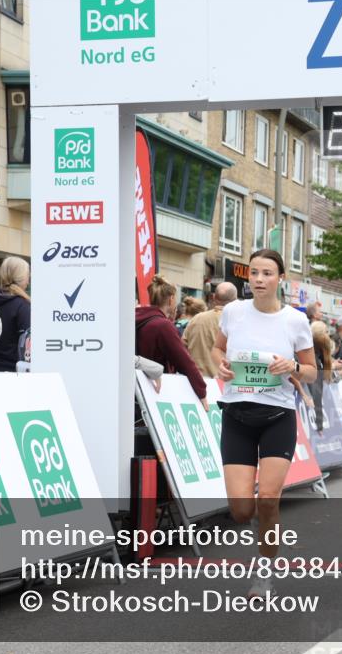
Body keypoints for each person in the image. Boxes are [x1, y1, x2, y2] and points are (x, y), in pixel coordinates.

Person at [212, 249, 316, 602]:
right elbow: (217, 350)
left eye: (267, 273)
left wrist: (293, 368)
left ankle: (264, 572)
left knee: (268, 498)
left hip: (277, 417)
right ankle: (261, 525)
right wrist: (220, 367)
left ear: (280, 278)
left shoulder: (295, 321)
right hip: (237, 415)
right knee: (242, 511)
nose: (258, 279)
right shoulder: (233, 312)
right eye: (254, 273)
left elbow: (312, 370)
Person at [135, 275, 208, 406]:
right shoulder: (163, 325)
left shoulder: (137, 318)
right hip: (157, 391)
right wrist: (202, 393)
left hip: (136, 391)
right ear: (171, 299)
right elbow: (185, 362)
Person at [183, 282, 237, 377]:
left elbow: (182, 347)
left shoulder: (196, 319)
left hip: (196, 382)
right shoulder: (236, 322)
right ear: (235, 300)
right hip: (223, 383)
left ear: (214, 297)